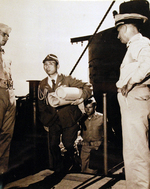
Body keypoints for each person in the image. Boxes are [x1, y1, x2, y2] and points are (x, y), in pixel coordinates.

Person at [38, 54, 92, 173]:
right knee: (53, 145)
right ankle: (59, 168)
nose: (48, 67)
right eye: (45, 64)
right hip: (52, 120)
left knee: (68, 144)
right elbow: (41, 105)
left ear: (58, 66)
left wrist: (81, 98)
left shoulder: (67, 79)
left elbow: (88, 86)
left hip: (69, 118)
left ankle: (73, 161)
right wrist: (44, 121)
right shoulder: (42, 84)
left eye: (51, 64)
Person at [114, 10, 150, 189]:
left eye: (119, 30)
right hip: (133, 102)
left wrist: (130, 82)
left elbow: (149, 62)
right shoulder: (135, 46)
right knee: (133, 150)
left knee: (136, 150)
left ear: (127, 27)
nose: (118, 35)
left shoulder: (140, 44)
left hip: (135, 101)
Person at [0, 23, 16, 176]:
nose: (7, 38)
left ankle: (2, 172)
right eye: (3, 34)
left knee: (7, 134)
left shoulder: (6, 56)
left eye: (8, 35)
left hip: (10, 93)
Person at [79, 97, 103, 174]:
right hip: (85, 146)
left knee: (93, 171)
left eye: (90, 107)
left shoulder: (102, 118)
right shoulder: (82, 118)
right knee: (83, 171)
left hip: (96, 147)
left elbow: (108, 132)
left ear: (95, 107)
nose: (87, 110)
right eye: (86, 108)